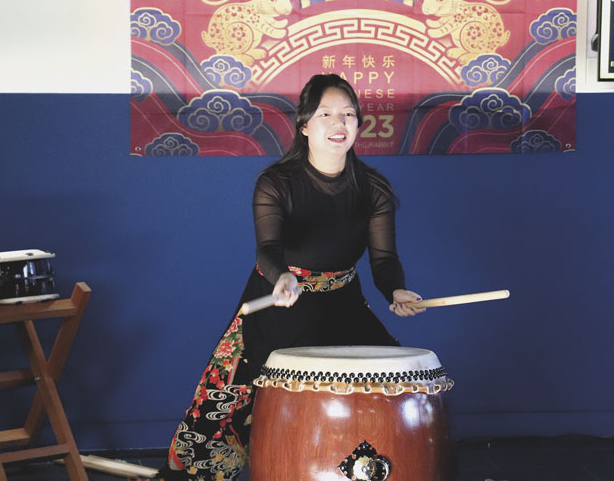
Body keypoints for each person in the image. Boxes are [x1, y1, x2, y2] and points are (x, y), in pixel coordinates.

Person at [155, 74, 424, 481]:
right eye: (327, 114)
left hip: (342, 303)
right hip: (280, 300)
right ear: (304, 125)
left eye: (349, 115)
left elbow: (384, 260)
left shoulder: (373, 188)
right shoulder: (276, 183)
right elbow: (268, 250)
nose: (340, 124)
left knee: (390, 384)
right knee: (226, 406)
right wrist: (280, 277)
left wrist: (396, 290)